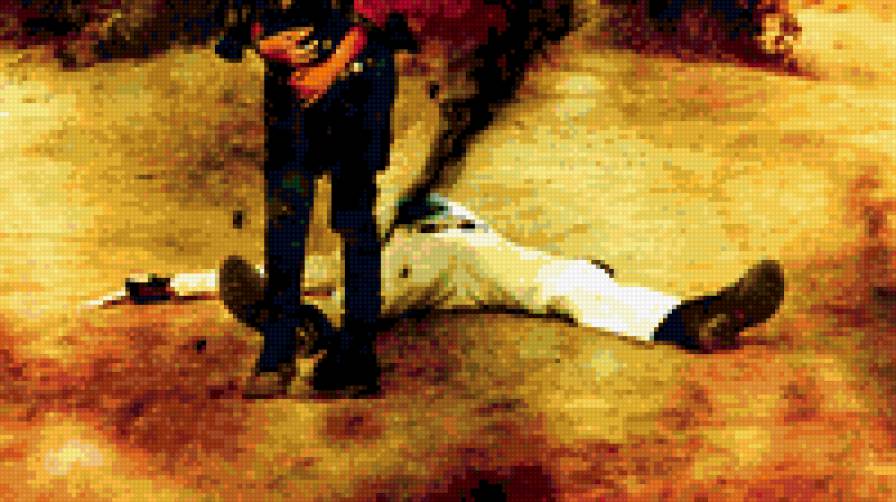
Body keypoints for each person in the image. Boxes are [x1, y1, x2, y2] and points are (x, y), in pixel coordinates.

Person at [219, 193, 786, 370]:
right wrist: (189, 283)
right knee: (364, 289)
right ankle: (296, 327)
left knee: (562, 279)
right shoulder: (381, 213)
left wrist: (588, 269)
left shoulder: (439, 190)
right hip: (411, 260)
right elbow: (312, 267)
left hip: (481, 253)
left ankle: (702, 317)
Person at [215, 1, 421, 398]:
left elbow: (380, 10)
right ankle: (278, 350)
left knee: (354, 217)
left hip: (358, 78)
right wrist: (262, 43)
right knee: (285, 217)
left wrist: (330, 68)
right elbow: (247, 14)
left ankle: (357, 358)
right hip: (291, 83)